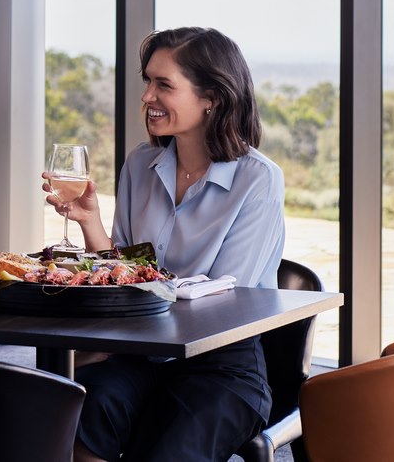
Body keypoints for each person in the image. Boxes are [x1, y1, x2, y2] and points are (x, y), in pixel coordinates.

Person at [44, 26, 285, 462]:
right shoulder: (140, 164)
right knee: (82, 410)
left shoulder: (258, 179)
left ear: (212, 97)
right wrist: (90, 221)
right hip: (139, 355)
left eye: (164, 85)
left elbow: (226, 298)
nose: (147, 96)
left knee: (169, 447)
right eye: (147, 81)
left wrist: (125, 313)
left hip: (220, 366)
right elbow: (121, 271)